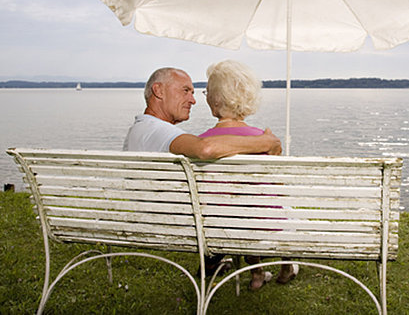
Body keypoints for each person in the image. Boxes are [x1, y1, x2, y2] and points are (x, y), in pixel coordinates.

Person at [199, 60, 299, 291]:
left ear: (214, 101)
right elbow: (275, 183)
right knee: (272, 212)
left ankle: (256, 274)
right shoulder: (262, 138)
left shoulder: (201, 141)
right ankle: (286, 268)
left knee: (242, 213)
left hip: (221, 224)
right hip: (263, 224)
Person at [123, 67, 281, 158]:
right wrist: (266, 142)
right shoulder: (155, 130)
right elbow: (206, 148)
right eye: (185, 91)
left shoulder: (142, 129)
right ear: (159, 91)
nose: (193, 100)